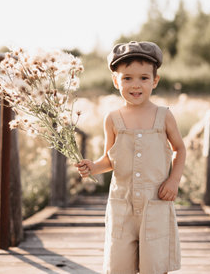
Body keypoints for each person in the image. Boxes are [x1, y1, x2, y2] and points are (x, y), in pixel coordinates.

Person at [75, 41, 186, 274]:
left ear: (155, 81)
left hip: (155, 202)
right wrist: (93, 167)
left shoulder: (164, 116)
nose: (136, 85)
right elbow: (109, 159)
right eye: (127, 78)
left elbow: (179, 149)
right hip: (121, 205)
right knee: (119, 266)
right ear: (116, 81)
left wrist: (173, 180)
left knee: (154, 267)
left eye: (143, 78)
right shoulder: (112, 119)